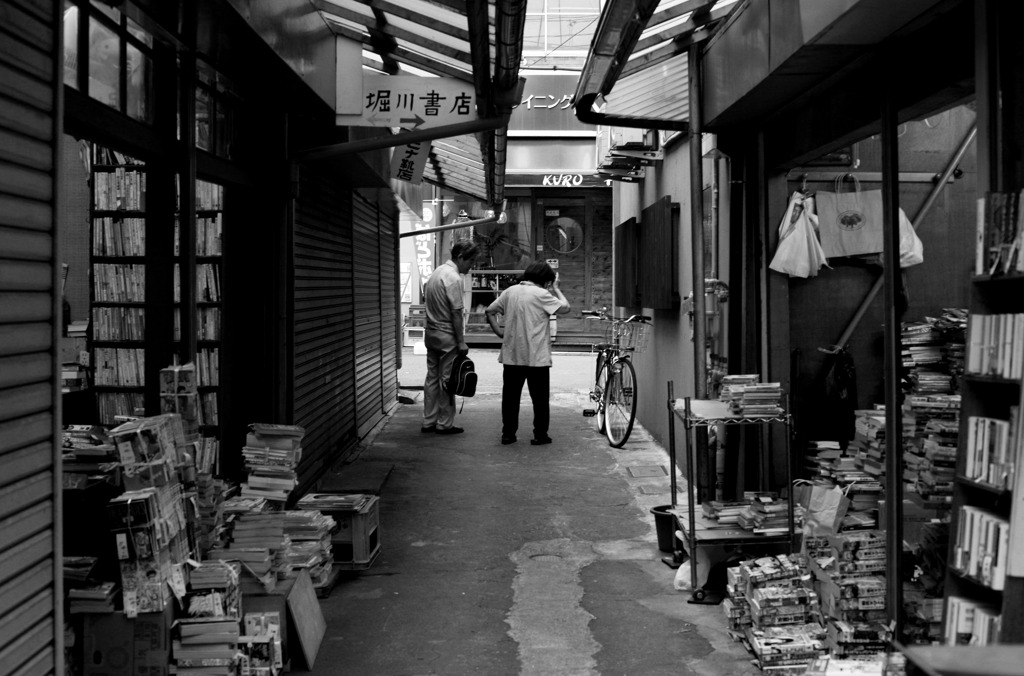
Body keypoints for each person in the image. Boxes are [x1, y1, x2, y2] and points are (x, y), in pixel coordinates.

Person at [485, 261, 570, 445]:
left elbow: (490, 311)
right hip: (536, 357)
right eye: (549, 282)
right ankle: (540, 435)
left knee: (510, 398)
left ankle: (508, 434)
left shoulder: (510, 291)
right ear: (545, 281)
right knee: (540, 400)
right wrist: (556, 288)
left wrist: (500, 332)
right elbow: (566, 307)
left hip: (512, 355)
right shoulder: (543, 294)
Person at [422, 240, 479, 435]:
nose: (471, 265)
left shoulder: (436, 272)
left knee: (431, 378)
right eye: (470, 260)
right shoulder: (453, 278)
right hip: (446, 335)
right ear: (461, 257)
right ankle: (444, 423)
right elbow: (456, 312)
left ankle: (428, 421)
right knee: (447, 380)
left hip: (430, 333)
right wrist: (461, 340)